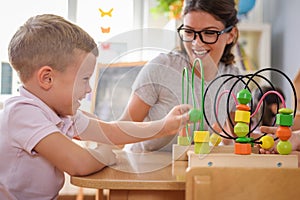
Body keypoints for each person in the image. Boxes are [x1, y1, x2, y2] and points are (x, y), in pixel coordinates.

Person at [0, 14, 192, 199]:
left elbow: (111, 131)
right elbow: (79, 163)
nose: (88, 89)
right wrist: (106, 155)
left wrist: (165, 125)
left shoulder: (59, 114)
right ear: (47, 78)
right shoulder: (21, 112)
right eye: (84, 79)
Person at [120, 0, 242, 152]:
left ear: (231, 35)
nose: (196, 43)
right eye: (189, 32)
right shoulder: (161, 69)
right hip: (144, 168)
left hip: (191, 170)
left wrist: (267, 142)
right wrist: (162, 127)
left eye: (209, 33)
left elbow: (240, 138)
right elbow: (121, 133)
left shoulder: (232, 80)